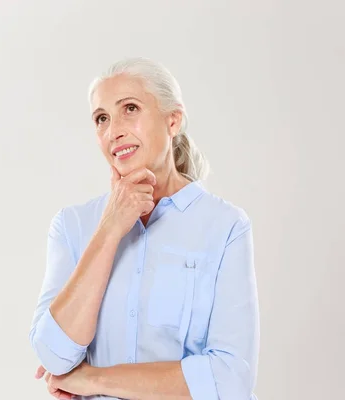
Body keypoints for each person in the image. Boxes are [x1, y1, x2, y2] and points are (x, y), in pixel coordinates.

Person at [29, 57, 260, 400]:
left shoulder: (225, 226)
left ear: (173, 120)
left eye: (130, 109)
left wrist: (93, 379)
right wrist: (110, 229)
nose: (113, 131)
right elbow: (54, 355)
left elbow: (229, 380)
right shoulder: (73, 225)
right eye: (101, 118)